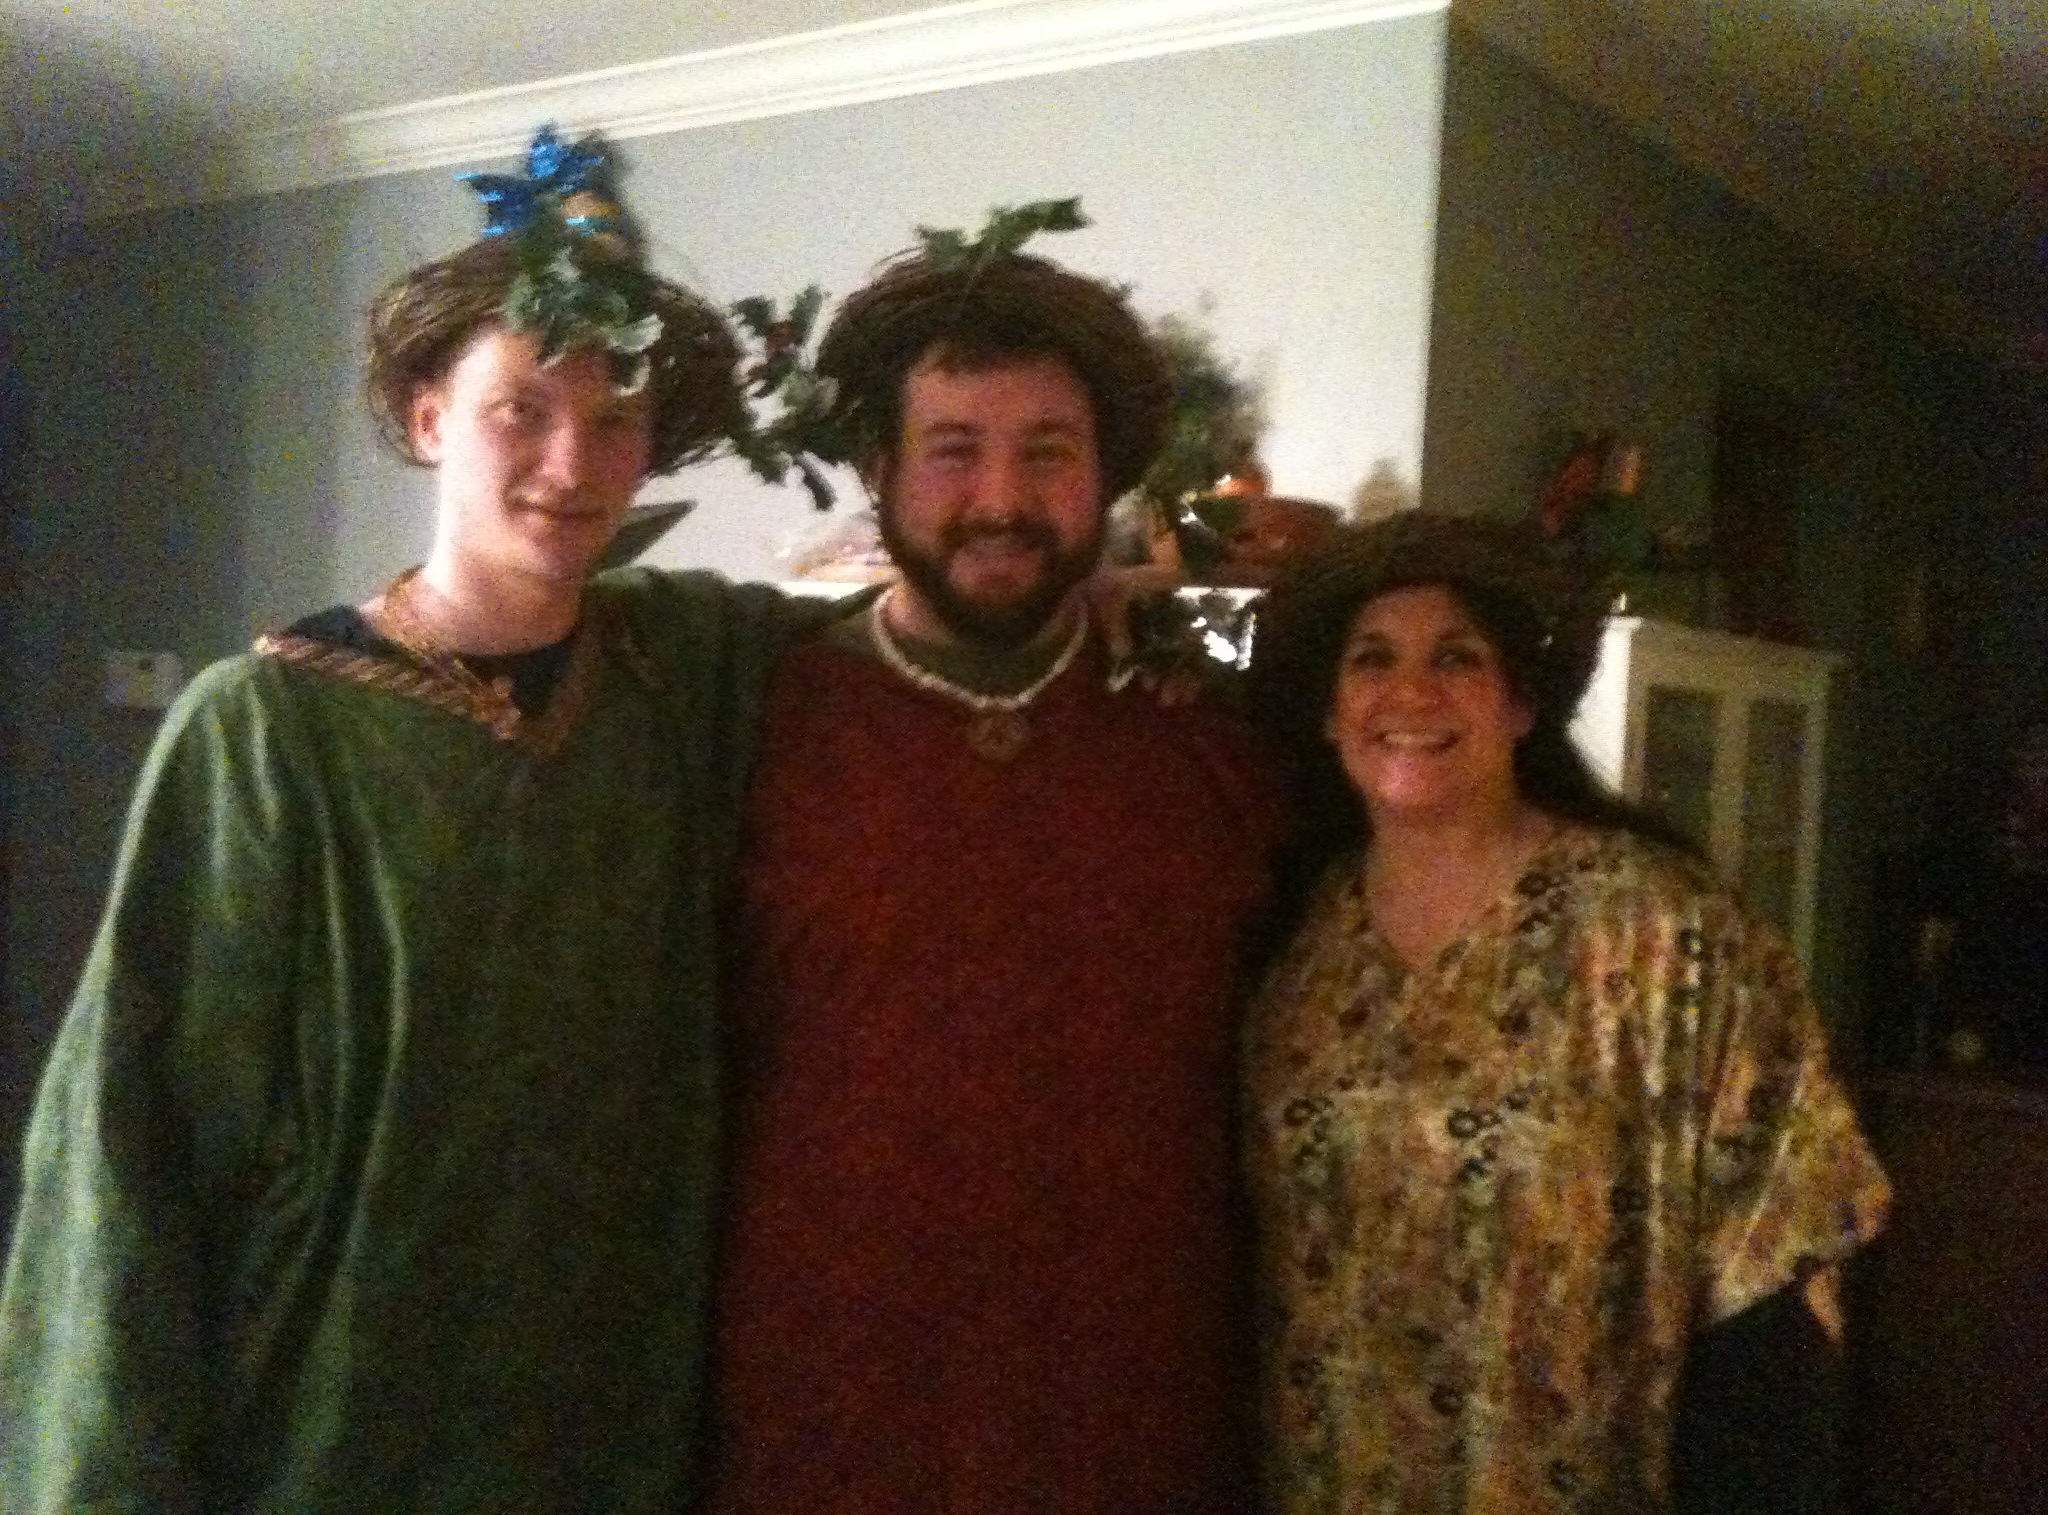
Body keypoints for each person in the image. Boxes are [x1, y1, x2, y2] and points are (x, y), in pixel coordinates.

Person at [0, 127, 821, 1511]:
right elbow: (130, 1155)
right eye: (521, 409)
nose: (572, 459)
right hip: (321, 1426)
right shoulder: (266, 731)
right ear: (431, 417)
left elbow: (906, 640)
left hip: (604, 1432)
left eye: (613, 420)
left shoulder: (682, 677)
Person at [705, 220, 1284, 1511]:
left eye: (1050, 453)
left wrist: (1188, 616)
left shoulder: (1209, 723)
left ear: (1109, 477)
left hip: (1143, 1432)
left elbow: (1357, 649)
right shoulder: (752, 718)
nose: (1002, 501)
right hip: (821, 1433)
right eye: (953, 450)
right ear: (879, 468)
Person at [1239, 511, 1891, 1514]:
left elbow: (1773, 1268)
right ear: (1329, 714)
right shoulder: (1288, 947)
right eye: (1372, 659)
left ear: (1520, 703)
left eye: (1456, 657)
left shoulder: (1662, 933)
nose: (1409, 692)